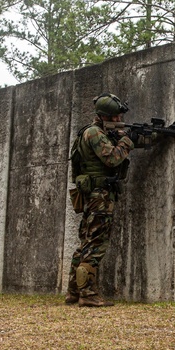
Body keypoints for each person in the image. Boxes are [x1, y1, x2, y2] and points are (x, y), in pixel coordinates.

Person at [67, 92, 153, 307]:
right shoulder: (94, 133)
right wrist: (127, 141)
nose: (119, 120)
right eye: (115, 117)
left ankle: (73, 291)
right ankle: (87, 294)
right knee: (96, 243)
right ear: (105, 116)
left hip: (94, 194)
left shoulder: (93, 132)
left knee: (86, 242)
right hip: (100, 195)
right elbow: (113, 158)